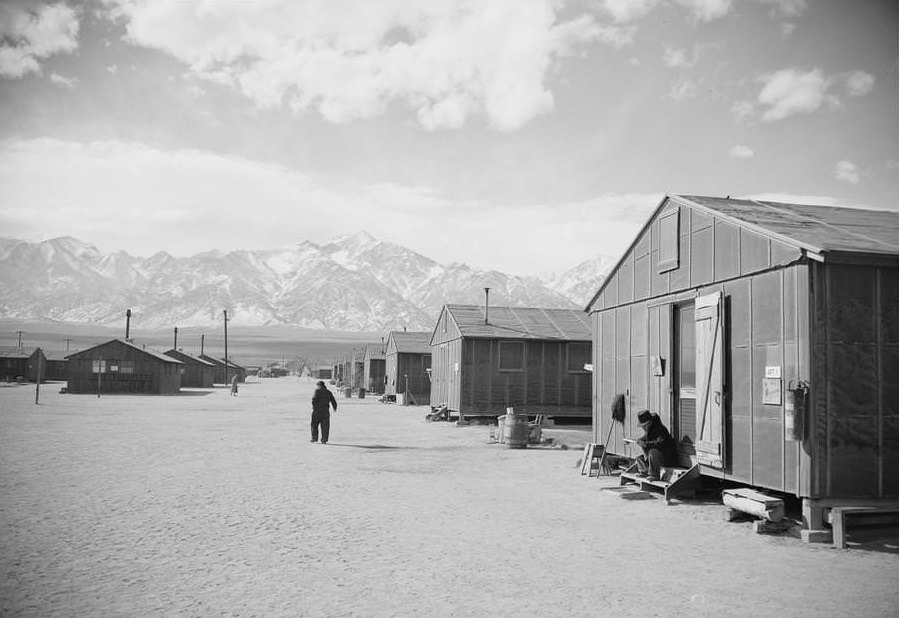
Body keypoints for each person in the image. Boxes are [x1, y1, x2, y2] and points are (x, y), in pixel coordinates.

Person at [635, 410, 677, 481]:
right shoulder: (650, 430)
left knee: (652, 452)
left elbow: (660, 443)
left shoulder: (660, 429)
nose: (643, 428)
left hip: (667, 458)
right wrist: (640, 440)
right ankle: (645, 471)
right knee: (639, 457)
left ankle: (654, 475)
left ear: (649, 423)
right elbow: (646, 438)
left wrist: (646, 444)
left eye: (644, 426)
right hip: (658, 457)